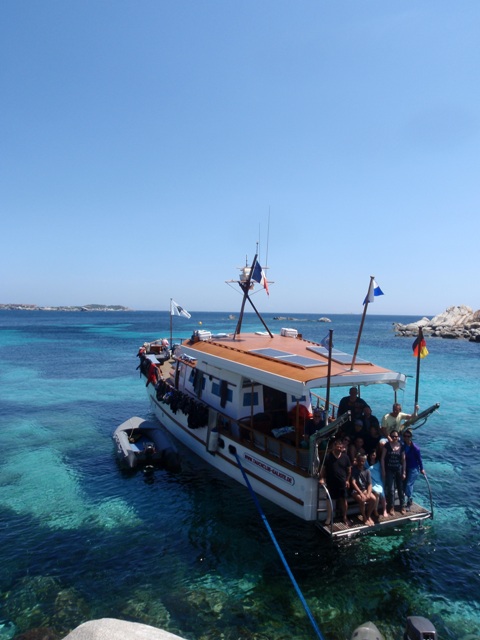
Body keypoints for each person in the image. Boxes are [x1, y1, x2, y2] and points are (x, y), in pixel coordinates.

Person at [320, 437, 352, 526]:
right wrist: (322, 478)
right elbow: (323, 469)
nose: (339, 449)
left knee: (344, 500)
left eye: (340, 447)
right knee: (329, 500)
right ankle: (329, 517)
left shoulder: (346, 457)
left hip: (342, 482)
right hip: (331, 482)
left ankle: (345, 517)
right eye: (338, 447)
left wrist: (347, 480)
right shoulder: (327, 456)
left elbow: (349, 470)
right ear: (334, 446)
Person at [381, 430, 406, 515]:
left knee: (400, 488)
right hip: (389, 470)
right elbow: (382, 459)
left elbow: (403, 460)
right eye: (393, 436)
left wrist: (404, 472)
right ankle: (391, 507)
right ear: (390, 437)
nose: (395, 438)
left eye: (396, 436)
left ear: (398, 437)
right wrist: (383, 470)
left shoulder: (401, 446)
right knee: (391, 490)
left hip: (398, 469)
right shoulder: (387, 446)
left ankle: (402, 506)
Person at [402, 429, 426, 509]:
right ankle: (406, 499)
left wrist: (422, 469)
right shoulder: (403, 445)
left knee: (409, 484)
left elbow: (419, 460)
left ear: (411, 437)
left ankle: (409, 501)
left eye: (408, 436)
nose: (406, 438)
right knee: (404, 484)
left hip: (413, 469)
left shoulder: (415, 448)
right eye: (405, 436)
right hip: (405, 468)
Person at [351, 454, 376, 525]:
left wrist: (368, 493)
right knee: (362, 499)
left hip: (364, 489)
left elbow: (370, 484)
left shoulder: (367, 471)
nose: (362, 463)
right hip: (355, 491)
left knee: (373, 498)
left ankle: (368, 516)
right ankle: (364, 517)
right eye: (360, 461)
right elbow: (353, 483)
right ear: (358, 461)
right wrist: (361, 493)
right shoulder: (354, 470)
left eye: (363, 461)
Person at [366, 450, 387, 518]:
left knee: (382, 494)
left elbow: (380, 472)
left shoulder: (378, 463)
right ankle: (375, 510)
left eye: (374, 455)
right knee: (377, 493)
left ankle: (384, 509)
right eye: (372, 455)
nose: (373, 456)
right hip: (371, 481)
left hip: (378, 480)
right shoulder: (366, 463)